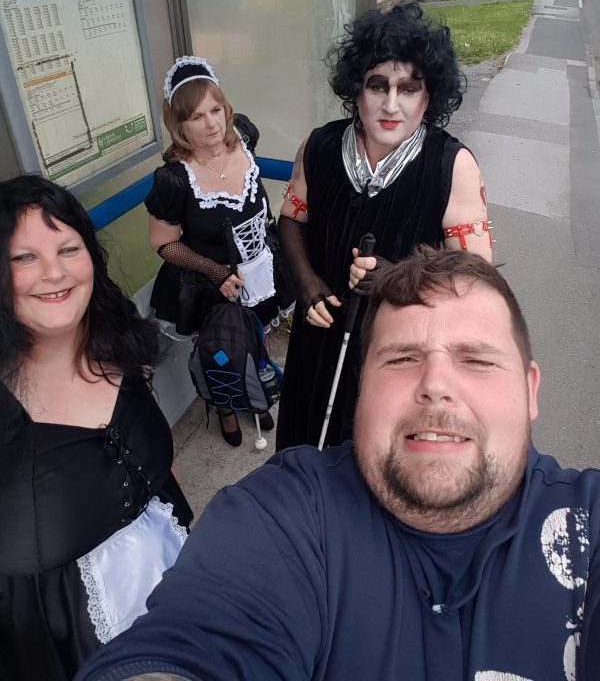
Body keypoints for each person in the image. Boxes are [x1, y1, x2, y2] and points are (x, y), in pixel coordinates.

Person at [74, 247, 600, 681]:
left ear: (530, 390)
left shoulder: (588, 529)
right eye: (401, 358)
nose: (436, 385)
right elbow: (197, 641)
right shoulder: (285, 516)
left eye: (477, 359)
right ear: (361, 388)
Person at [0, 175, 193, 681]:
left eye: (68, 248)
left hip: (173, 594)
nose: (53, 272)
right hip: (60, 649)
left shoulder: (119, 347)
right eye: (23, 258)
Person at [276, 2, 493, 450]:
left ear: (428, 96)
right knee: (302, 454)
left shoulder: (454, 167)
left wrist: (398, 278)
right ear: (357, 90)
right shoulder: (318, 146)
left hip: (399, 354)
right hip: (317, 339)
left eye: (408, 88)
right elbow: (292, 220)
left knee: (374, 467)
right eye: (378, 86)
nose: (392, 104)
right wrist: (307, 281)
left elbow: (476, 281)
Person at [145, 56, 293, 446]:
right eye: (196, 117)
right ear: (179, 126)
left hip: (260, 267)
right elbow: (163, 243)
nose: (212, 124)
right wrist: (213, 270)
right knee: (219, 350)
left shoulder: (244, 135)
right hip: (210, 282)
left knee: (256, 337)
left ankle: (257, 393)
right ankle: (225, 407)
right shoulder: (175, 180)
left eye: (216, 109)